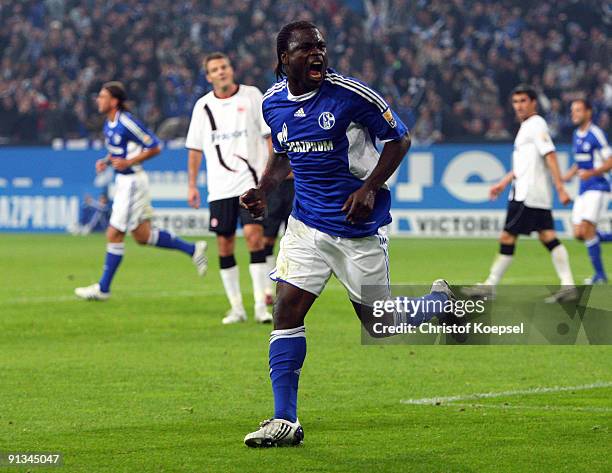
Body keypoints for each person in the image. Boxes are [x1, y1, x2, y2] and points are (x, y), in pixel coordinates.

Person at [239, 21, 454, 448]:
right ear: (284, 59)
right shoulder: (271, 103)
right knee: (286, 313)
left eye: (320, 46)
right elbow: (283, 153)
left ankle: (435, 302)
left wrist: (369, 187)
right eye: (306, 49)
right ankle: (285, 421)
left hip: (356, 229)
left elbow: (400, 139)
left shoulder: (351, 95)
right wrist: (264, 189)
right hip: (306, 226)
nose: (317, 54)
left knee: (380, 324)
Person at [75, 82, 207, 301]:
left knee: (114, 233)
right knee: (142, 236)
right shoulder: (109, 124)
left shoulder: (126, 121)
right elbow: (120, 151)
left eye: (102, 96)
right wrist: (107, 161)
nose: (98, 100)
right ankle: (193, 250)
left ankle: (103, 289)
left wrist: (129, 161)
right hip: (124, 182)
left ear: (114, 101)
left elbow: (154, 145)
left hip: (132, 183)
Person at [462, 84, 576, 303]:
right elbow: (525, 164)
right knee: (548, 236)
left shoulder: (536, 124)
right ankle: (568, 284)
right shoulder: (527, 127)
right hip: (531, 192)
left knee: (508, 236)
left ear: (533, 102)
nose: (519, 106)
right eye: (515, 102)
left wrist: (560, 187)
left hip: (527, 194)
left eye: (523, 101)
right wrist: (504, 182)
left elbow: (550, 155)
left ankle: (490, 285)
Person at [186, 53, 273, 324]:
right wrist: (192, 185)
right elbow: (195, 149)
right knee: (224, 245)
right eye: (215, 69)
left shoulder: (252, 96)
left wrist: (270, 175)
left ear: (231, 69)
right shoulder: (203, 106)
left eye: (224, 67)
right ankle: (236, 307)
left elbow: (269, 136)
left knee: (253, 238)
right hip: (220, 187)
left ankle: (261, 305)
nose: (221, 72)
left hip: (250, 183)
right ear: (208, 76)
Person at [562, 99, 612, 284]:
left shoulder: (596, 134)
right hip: (583, 189)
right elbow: (580, 161)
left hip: (598, 186)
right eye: (572, 110)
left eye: (578, 110)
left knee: (586, 229)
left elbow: (609, 161)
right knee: (578, 234)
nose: (574, 114)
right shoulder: (576, 134)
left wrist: (591, 172)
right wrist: (568, 175)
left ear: (588, 112)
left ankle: (600, 276)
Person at [262, 174, 295, 305]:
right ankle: (267, 290)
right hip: (274, 184)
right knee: (267, 241)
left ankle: (289, 290)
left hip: (296, 184)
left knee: (294, 242)